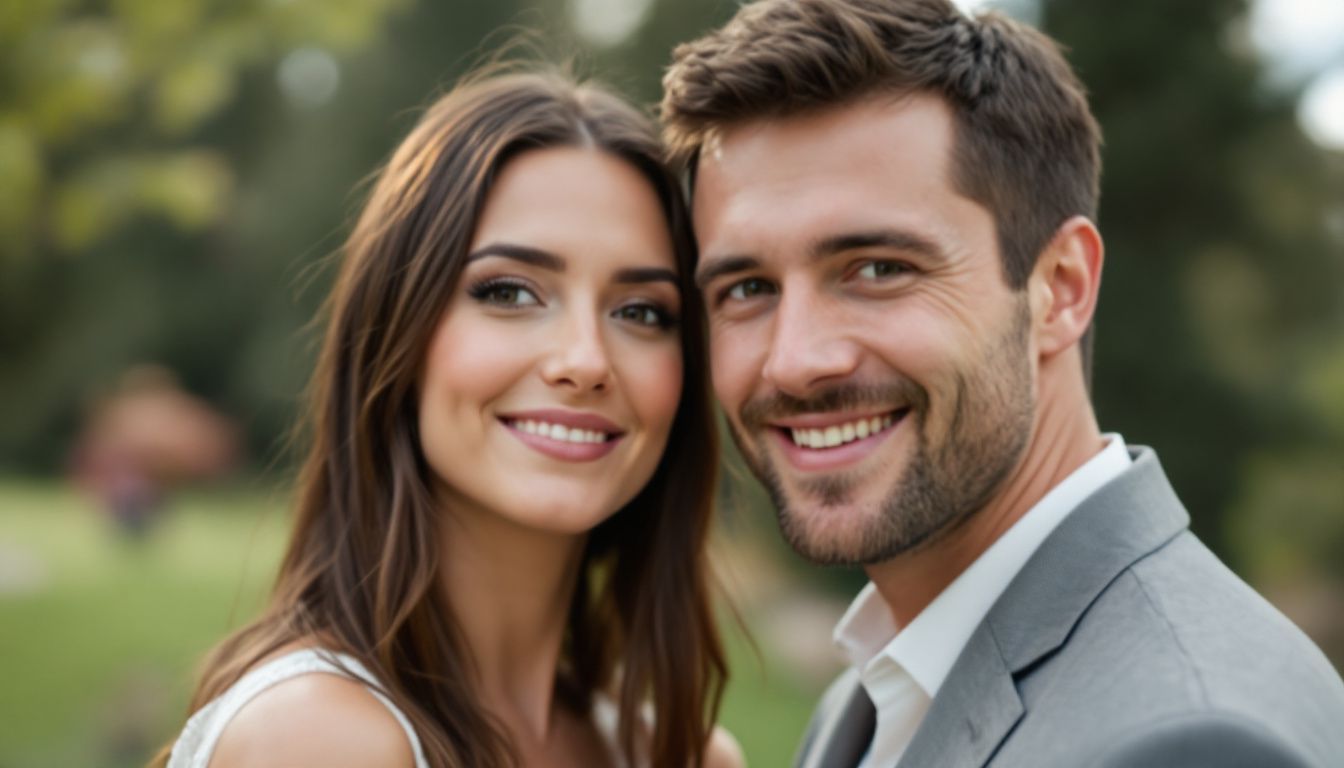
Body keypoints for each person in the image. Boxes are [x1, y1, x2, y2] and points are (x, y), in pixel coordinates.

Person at [661, 1, 1344, 766]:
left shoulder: (1193, 741)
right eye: (747, 288)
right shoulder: (872, 698)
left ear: (1061, 288)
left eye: (879, 270)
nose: (795, 360)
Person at [157, 68, 742, 768]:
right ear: (396, 333)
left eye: (641, 311)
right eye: (509, 292)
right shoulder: (320, 740)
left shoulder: (681, 756)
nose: (586, 361)